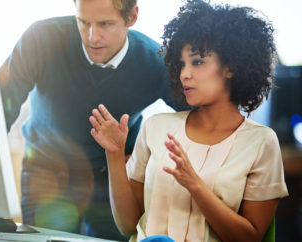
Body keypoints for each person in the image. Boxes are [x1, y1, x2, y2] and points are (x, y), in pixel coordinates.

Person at [89, 0, 289, 241]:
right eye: (181, 64)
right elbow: (127, 225)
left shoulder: (261, 142)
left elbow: (250, 237)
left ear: (231, 67)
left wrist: (195, 185)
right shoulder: (156, 126)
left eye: (197, 62)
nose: (185, 73)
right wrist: (114, 154)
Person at [0, 0, 182, 240]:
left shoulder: (155, 61)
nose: (92, 37)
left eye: (105, 24)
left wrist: (147, 159)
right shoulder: (41, 39)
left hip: (112, 177)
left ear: (132, 17)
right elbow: (0, 108)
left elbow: (202, 117)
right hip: (47, 172)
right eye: (83, 23)